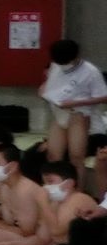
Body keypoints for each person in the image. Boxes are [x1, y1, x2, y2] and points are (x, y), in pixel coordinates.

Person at [41, 39, 107, 173]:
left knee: (76, 157)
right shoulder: (55, 67)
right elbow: (49, 86)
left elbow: (104, 97)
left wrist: (76, 102)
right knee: (53, 156)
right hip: (59, 113)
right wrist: (44, 91)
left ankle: (77, 191)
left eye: (66, 62)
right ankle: (55, 185)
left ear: (75, 57)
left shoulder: (90, 71)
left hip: (78, 114)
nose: (63, 65)